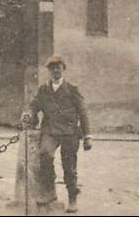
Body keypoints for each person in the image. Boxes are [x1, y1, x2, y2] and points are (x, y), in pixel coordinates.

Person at [24, 55, 92, 213]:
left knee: (69, 166)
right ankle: (49, 192)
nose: (55, 70)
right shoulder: (44, 89)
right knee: (45, 155)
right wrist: (28, 114)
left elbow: (83, 112)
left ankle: (72, 198)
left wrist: (87, 136)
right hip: (50, 130)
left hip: (70, 133)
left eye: (58, 67)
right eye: (52, 68)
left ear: (63, 69)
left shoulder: (72, 89)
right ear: (49, 71)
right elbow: (34, 105)